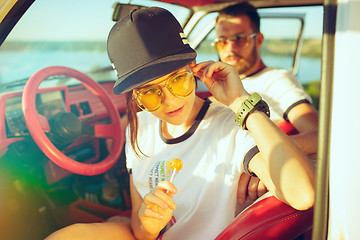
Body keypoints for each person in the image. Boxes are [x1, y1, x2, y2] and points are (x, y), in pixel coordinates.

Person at [45, 7, 315, 240]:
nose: (170, 100)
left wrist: (241, 102)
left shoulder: (229, 128)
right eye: (150, 92)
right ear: (136, 96)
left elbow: (303, 194)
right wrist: (149, 226)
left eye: (177, 80)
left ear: (194, 68)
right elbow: (141, 230)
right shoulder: (139, 129)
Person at [213, 2, 319, 204]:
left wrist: (264, 155)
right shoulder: (220, 85)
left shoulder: (276, 80)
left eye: (239, 39)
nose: (230, 48)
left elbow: (320, 135)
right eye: (222, 41)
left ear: (258, 40)